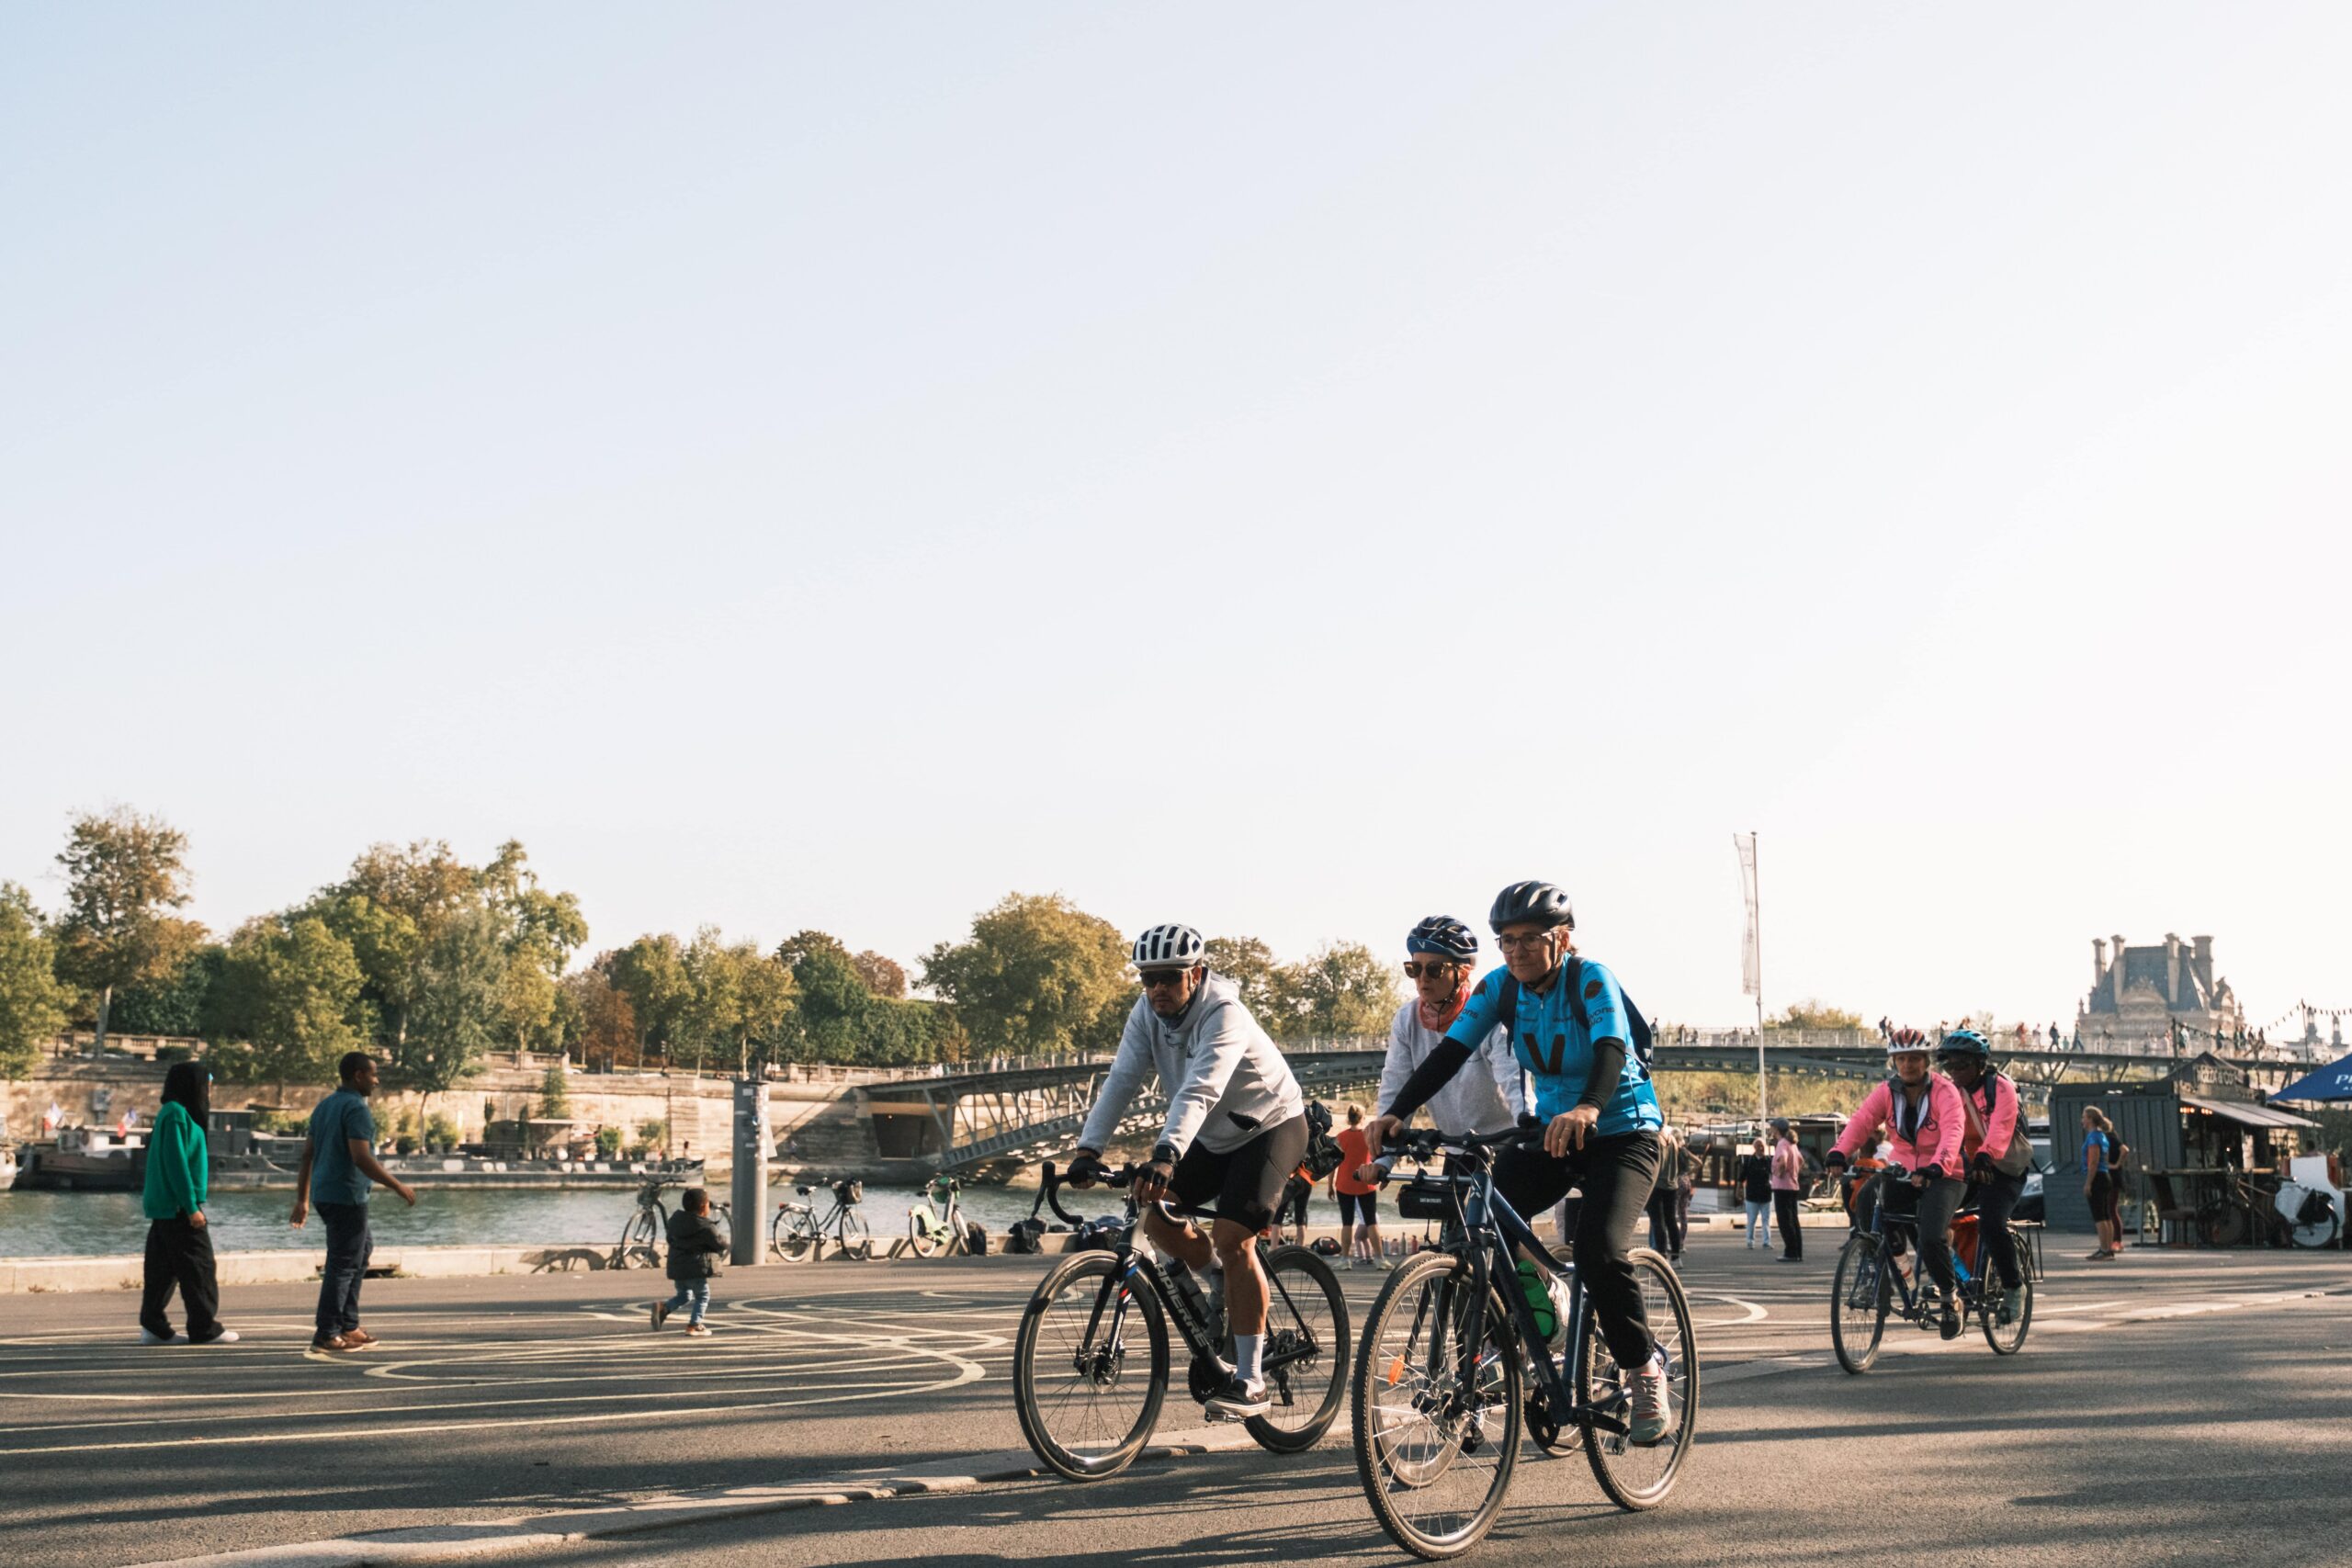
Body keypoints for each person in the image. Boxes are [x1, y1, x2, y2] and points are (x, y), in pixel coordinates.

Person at [1368, 880, 1673, 1447]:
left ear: (1562, 939)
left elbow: (1611, 1047)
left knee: (1599, 1250)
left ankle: (1643, 1370)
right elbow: (1453, 1052)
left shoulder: (1591, 979)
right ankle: (1502, 1354)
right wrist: (1398, 1113)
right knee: (1473, 1230)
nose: (1515, 951)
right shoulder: (1500, 988)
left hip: (1623, 1132)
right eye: (1506, 940)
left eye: (1529, 939)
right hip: (1553, 1134)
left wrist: (1588, 1106)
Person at [1069, 923, 1308, 1422]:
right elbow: (1121, 1080)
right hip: (1215, 1136)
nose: (1157, 988)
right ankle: (1221, 1283)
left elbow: (1200, 1089)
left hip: (1270, 1126)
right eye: (1147, 978)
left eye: (1169, 978)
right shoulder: (1147, 1013)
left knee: (1233, 1236)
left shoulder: (1224, 1012)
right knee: (1153, 1215)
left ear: (1196, 975)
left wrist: (1165, 1153)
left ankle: (1252, 1381)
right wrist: (1088, 1150)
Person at [1359, 917, 1528, 1260]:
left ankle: (1547, 1293)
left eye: (1434, 969)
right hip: (1456, 1147)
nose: (1422, 979)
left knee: (1506, 1251)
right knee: (1458, 1250)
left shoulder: (1488, 1016)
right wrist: (1383, 1157)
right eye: (1414, 968)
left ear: (1462, 972)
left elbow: (1513, 1078)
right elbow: (1396, 1089)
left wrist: (1528, 1123)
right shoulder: (1406, 1020)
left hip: (1504, 1144)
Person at [1825, 1029, 1967, 1337]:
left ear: (1926, 1059)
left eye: (1914, 1058)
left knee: (1931, 1238)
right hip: (1902, 1169)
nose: (1907, 1065)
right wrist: (1839, 1151)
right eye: (1900, 1059)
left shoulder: (1945, 1092)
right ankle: (1880, 1272)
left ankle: (1949, 1298)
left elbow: (1954, 1131)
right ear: (1893, 1062)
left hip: (1944, 1173)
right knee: (1867, 1199)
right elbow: (1862, 1121)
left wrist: (1936, 1167)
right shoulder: (1887, 1092)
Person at [289, 1052, 417, 1353]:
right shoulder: (356, 1108)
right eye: (373, 1074)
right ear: (358, 1075)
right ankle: (327, 1332)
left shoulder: (324, 1106)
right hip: (347, 1196)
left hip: (325, 1194)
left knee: (361, 1251)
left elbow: (307, 1154)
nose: (377, 1080)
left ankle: (349, 1324)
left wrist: (302, 1199)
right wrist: (397, 1185)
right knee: (344, 1263)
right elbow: (361, 1157)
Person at [140, 1062, 236, 1346]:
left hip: (166, 1206)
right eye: (207, 1083)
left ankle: (154, 1325)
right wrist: (191, 1205)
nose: (210, 1089)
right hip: (178, 1206)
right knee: (200, 1267)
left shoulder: (172, 1113)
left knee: (162, 1270)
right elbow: (176, 1163)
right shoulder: (176, 1114)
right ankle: (204, 1327)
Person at [1940, 1029, 2028, 1323]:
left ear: (1980, 1064)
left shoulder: (2000, 1087)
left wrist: (1986, 1155)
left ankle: (2014, 1287)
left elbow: (2001, 1127)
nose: (1955, 1072)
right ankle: (1960, 1282)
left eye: (1962, 1065)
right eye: (1949, 1065)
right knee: (1933, 1219)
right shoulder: (1950, 1092)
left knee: (1991, 1223)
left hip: (2004, 1168)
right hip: (1969, 1166)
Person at [652, 1188, 726, 1336]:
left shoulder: (675, 1221)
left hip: (677, 1266)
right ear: (703, 1207)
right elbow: (719, 1243)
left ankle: (664, 1308)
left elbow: (669, 1238)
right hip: (695, 1267)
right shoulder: (706, 1226)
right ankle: (694, 1325)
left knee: (684, 1295)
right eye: (707, 1204)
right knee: (703, 1296)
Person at [1331, 1106, 1388, 1269]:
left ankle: (1345, 1259)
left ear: (1348, 1118)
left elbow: (1334, 1164)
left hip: (1344, 1183)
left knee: (1346, 1223)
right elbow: (1378, 1158)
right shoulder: (1368, 1136)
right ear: (1362, 1117)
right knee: (1371, 1222)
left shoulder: (1340, 1137)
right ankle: (1379, 1259)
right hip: (1366, 1181)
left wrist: (1330, 1186)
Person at [2081, 1106, 2123, 1259]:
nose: (2082, 1120)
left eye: (2084, 1117)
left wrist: (2088, 1183)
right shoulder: (2103, 1136)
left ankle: (2104, 1248)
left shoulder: (2093, 1137)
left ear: (2091, 1119)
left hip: (2097, 1177)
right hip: (2105, 1175)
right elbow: (2104, 1160)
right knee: (2106, 1215)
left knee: (2099, 1215)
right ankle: (2108, 1248)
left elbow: (2093, 1161)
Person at [1645, 1125, 1686, 1260]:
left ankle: (1661, 1253)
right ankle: (1675, 1253)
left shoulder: (1656, 1139)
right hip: (1671, 1185)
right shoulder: (1673, 1140)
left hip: (1657, 1185)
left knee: (1658, 1222)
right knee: (1671, 1220)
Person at [1770, 1119, 1804, 1261]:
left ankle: (1790, 1252)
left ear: (1777, 1129)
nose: (1771, 1131)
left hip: (1782, 1186)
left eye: (1772, 1128)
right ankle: (1797, 1252)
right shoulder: (1792, 1144)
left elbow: (1782, 1160)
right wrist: (1794, 1172)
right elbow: (1801, 1160)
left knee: (1784, 1220)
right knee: (1793, 1220)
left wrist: (1778, 1173)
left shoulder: (1782, 1143)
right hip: (1793, 1185)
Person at [1737, 1134, 1772, 1248]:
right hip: (1752, 1194)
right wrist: (1739, 1190)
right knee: (1751, 1220)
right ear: (1754, 1147)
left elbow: (1774, 1175)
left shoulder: (1768, 1161)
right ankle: (1750, 1241)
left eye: (1762, 1146)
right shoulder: (1749, 1161)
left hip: (1765, 1194)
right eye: (1758, 1146)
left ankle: (1766, 1242)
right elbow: (1742, 1177)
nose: (1760, 1148)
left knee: (1766, 1220)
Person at [1277, 1158, 1313, 1247]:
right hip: (1307, 1178)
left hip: (1290, 1179)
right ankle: (1301, 1247)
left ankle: (1274, 1249)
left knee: (1278, 1216)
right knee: (1300, 1216)